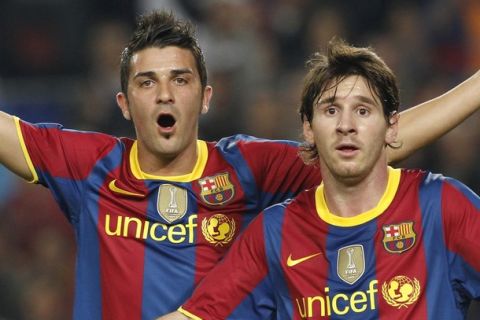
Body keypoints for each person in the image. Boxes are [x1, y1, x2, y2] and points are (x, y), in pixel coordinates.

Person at [1, 10, 480, 320]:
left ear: (206, 97)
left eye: (180, 80)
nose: (165, 93)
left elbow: (363, 150)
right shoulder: (90, 165)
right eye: (147, 83)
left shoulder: (249, 168)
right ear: (124, 103)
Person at [160, 39, 480, 320]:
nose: (346, 125)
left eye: (363, 111)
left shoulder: (440, 206)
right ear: (308, 129)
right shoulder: (277, 231)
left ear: (392, 127)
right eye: (330, 111)